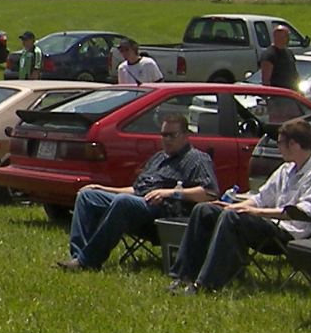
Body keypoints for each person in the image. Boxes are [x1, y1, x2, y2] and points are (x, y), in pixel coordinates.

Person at [168, 118, 311, 293]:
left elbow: (299, 212)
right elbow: (260, 198)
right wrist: (233, 206)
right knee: (205, 209)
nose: (278, 148)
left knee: (233, 217)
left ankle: (207, 284)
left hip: (289, 233)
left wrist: (253, 212)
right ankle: (182, 276)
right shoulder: (286, 169)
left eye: (280, 143)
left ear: (293, 144)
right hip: (269, 222)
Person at [58, 116, 217, 273]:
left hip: (164, 212)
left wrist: (170, 193)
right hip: (138, 202)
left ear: (185, 135)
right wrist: (103, 189)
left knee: (123, 202)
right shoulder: (159, 157)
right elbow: (136, 190)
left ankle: (87, 261)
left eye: (172, 135)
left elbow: (210, 192)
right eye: (163, 135)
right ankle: (77, 257)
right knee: (87, 195)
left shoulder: (197, 159)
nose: (167, 139)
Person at [257, 24, 298, 90]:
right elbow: (266, 80)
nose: (288, 38)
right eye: (286, 35)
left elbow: (295, 74)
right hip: (278, 93)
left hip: (290, 92)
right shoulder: (269, 55)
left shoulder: (289, 53)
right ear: (277, 37)